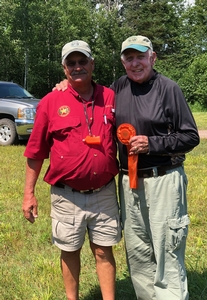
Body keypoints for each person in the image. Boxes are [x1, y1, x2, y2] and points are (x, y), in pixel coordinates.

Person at [54, 35, 200, 300]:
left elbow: (191, 136)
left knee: (167, 248)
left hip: (163, 179)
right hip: (128, 183)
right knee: (138, 251)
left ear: (152, 58)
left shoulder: (169, 89)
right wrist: (67, 84)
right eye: (129, 58)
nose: (135, 63)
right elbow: (88, 91)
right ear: (123, 63)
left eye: (140, 57)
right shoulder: (117, 89)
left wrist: (152, 143)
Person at [22, 40, 121, 300]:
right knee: (69, 249)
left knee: (103, 251)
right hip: (67, 196)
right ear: (64, 69)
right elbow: (35, 152)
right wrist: (28, 194)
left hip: (104, 192)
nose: (78, 67)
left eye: (82, 61)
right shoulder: (51, 101)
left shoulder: (110, 96)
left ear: (92, 64)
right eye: (71, 63)